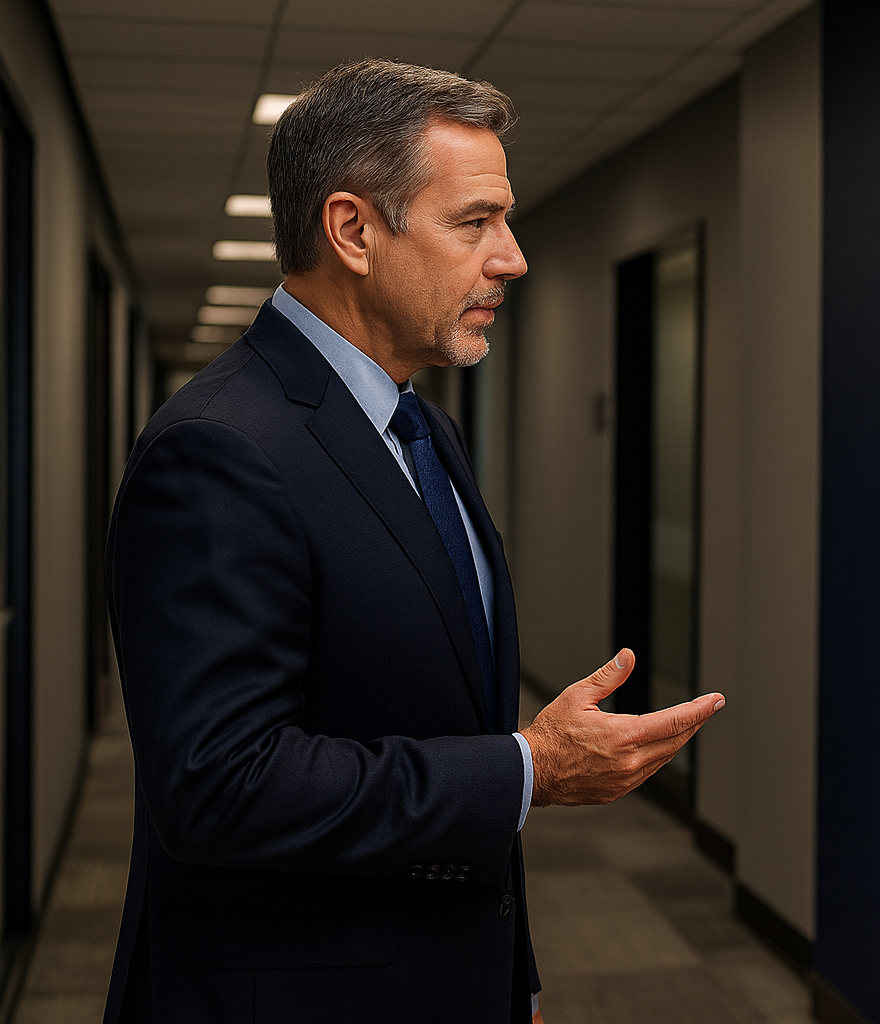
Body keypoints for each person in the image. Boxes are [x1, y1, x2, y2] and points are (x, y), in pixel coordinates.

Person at [102, 59, 724, 1024]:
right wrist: (528, 769)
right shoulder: (220, 448)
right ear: (352, 230)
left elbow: (437, 712)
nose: (511, 257)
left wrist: (505, 973)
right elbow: (218, 784)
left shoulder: (425, 429)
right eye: (474, 223)